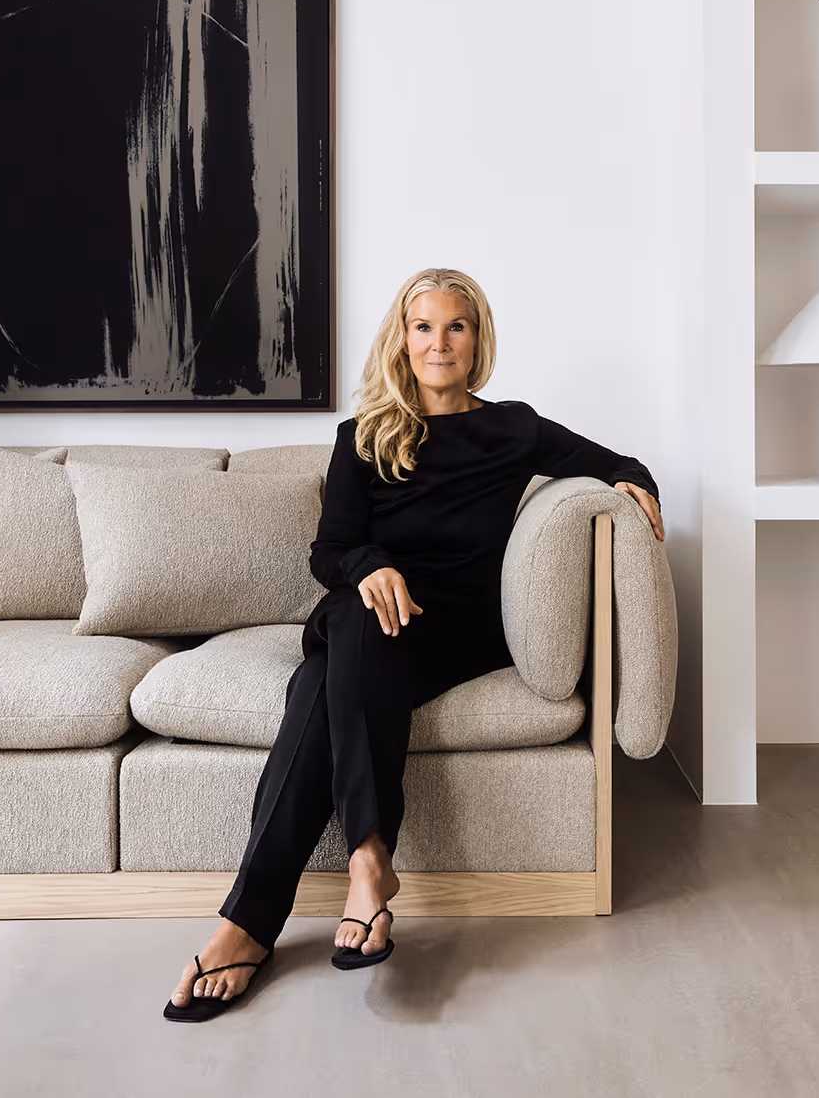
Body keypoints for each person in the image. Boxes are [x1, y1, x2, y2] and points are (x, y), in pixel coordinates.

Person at [165, 267, 663, 1020]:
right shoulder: (363, 437)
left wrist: (636, 486)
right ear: (403, 339)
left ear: (477, 338)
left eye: (455, 326)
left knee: (317, 685)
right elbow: (329, 551)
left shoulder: (513, 428)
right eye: (423, 327)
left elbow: (617, 463)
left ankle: (247, 927)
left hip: (461, 629)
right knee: (340, 649)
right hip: (370, 612)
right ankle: (367, 864)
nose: (439, 342)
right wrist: (373, 565)